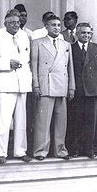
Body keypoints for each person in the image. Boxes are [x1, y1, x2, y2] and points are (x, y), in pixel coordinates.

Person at [31, 14, 75, 161]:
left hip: (62, 85)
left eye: (58, 25)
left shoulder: (66, 45)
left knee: (61, 121)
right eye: (53, 25)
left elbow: (70, 69)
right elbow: (34, 66)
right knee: (42, 121)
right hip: (46, 85)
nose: (56, 27)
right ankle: (40, 151)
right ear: (46, 27)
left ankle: (60, 150)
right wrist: (36, 85)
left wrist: (71, 87)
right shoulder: (37, 43)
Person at [0, 13, 32, 164]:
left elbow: (26, 60)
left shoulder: (24, 37)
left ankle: (20, 151)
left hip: (23, 83)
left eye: (17, 22)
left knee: (21, 121)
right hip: (7, 83)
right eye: (12, 22)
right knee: (4, 121)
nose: (16, 24)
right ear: (5, 23)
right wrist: (8, 64)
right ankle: (1, 152)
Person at [67, 22, 97, 159]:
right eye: (83, 33)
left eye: (89, 33)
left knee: (91, 121)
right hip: (77, 90)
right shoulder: (70, 48)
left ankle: (89, 149)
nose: (87, 35)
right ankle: (75, 148)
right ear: (77, 34)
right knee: (76, 120)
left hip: (92, 90)